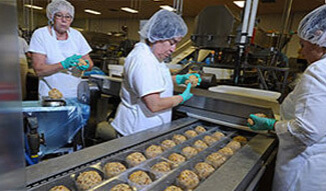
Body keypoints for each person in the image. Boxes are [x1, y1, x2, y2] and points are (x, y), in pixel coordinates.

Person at [247, 5, 326, 191]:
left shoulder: (319, 70)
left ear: (319, 39)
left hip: (303, 170)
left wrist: (271, 125)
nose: (301, 52)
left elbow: (308, 130)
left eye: (303, 44)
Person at [111, 10, 201, 136]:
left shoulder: (152, 55)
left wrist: (179, 79)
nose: (173, 49)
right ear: (158, 37)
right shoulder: (143, 60)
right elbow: (154, 104)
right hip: (136, 131)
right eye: (172, 42)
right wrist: (181, 98)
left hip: (147, 128)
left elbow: (154, 79)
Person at [28, 0, 93, 98]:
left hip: (75, 94)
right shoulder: (41, 34)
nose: (64, 20)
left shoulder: (76, 35)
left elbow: (89, 63)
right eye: (59, 15)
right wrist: (63, 65)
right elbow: (39, 70)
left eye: (68, 16)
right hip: (51, 96)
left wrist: (86, 66)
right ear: (51, 17)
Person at [18, 29, 30, 100]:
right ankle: (22, 99)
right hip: (21, 62)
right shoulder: (22, 40)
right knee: (22, 82)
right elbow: (28, 53)